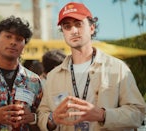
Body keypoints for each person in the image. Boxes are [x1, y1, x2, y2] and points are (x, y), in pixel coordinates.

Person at [37, 2, 146, 131]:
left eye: (78, 24)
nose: (74, 31)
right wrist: (52, 120)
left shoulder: (117, 68)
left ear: (92, 28)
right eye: (67, 27)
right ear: (63, 33)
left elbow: (138, 114)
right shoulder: (54, 76)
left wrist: (102, 115)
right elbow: (42, 115)